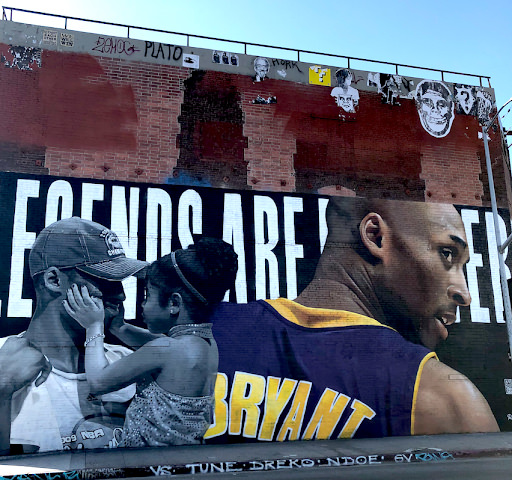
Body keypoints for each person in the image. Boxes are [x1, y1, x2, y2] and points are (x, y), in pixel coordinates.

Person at [206, 197, 499, 443]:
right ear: (375, 236)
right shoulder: (446, 400)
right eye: (447, 254)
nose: (465, 294)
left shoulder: (194, 334)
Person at [63, 238, 238, 447]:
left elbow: (98, 382)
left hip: (146, 467)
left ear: (174, 303)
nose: (143, 305)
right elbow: (157, 343)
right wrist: (119, 327)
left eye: (147, 295)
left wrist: (94, 326)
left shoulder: (164, 349)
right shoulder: (204, 344)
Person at [0, 217, 148, 454]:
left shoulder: (130, 364)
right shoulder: (1, 361)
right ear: (54, 280)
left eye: (119, 282)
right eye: (104, 280)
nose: (120, 295)